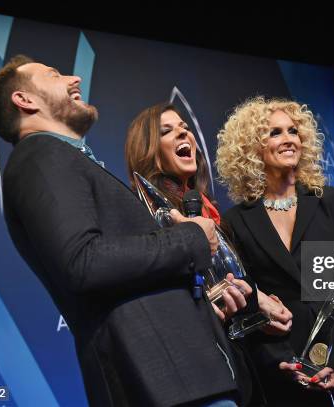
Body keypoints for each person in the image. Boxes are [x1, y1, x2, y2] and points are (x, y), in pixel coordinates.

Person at [0, 55, 248, 407]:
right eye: (54, 75)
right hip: (165, 382)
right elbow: (83, 261)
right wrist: (193, 238)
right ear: (25, 100)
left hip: (182, 380)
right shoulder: (40, 156)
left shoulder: (61, 158)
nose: (75, 78)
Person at [216, 97, 334, 406]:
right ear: (251, 148)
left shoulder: (328, 200)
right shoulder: (236, 220)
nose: (289, 139)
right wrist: (281, 361)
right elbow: (251, 303)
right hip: (289, 372)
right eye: (275, 132)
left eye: (293, 131)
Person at [124, 102, 295, 405]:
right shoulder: (144, 213)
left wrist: (257, 303)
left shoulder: (211, 210)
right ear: (149, 148)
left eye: (185, 128)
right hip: (201, 371)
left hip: (246, 360)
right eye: (168, 131)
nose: (183, 134)